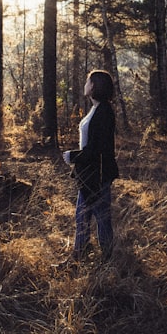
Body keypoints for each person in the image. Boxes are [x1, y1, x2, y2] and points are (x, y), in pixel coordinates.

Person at [62, 70, 120, 263]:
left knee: (101, 219)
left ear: (94, 85)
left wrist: (73, 156)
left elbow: (97, 149)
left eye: (88, 81)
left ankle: (107, 260)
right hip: (88, 173)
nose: (85, 84)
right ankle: (79, 257)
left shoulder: (104, 112)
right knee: (82, 218)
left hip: (98, 174)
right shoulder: (96, 109)